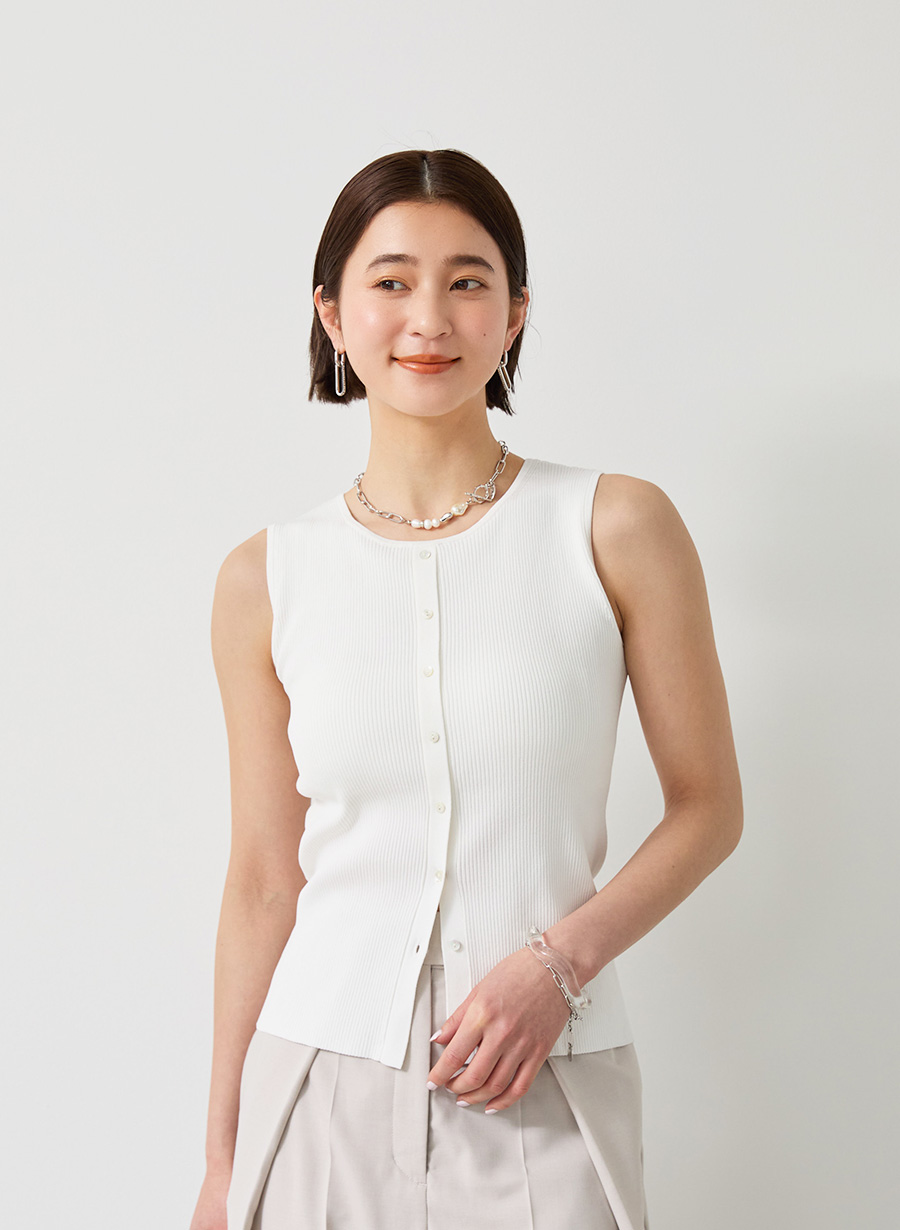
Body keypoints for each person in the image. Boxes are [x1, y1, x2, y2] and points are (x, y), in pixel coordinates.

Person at [189, 148, 743, 1230]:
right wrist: (221, 1159)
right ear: (332, 313)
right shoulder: (264, 578)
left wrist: (558, 966)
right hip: (316, 1088)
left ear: (516, 312)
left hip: (547, 1073)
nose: (429, 319)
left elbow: (709, 808)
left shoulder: (617, 527)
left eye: (468, 281)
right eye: (391, 281)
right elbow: (262, 877)